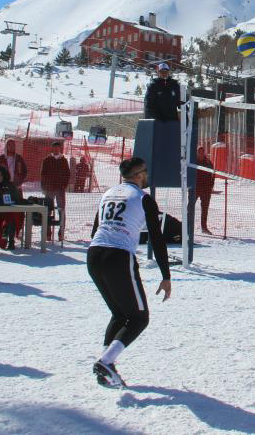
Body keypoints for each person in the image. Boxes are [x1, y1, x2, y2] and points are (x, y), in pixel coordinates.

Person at [88, 157, 172, 388]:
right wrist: (166, 275)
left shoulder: (108, 193)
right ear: (139, 175)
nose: (146, 176)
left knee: (119, 313)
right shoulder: (144, 198)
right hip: (119, 256)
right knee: (139, 317)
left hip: (94, 254)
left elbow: (96, 229)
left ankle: (106, 366)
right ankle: (105, 362)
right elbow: (157, 238)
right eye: (145, 172)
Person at [40, 141, 72, 241]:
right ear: (52, 148)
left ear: (60, 149)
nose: (56, 149)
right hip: (49, 189)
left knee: (61, 211)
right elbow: (43, 174)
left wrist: (63, 186)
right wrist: (44, 187)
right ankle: (48, 233)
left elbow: (67, 174)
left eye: (58, 148)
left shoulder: (64, 160)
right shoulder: (47, 160)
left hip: (60, 190)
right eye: (54, 148)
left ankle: (61, 233)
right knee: (48, 211)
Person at [0, 165, 24, 250]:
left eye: (0, 175)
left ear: (4, 175)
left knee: (13, 216)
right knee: (1, 245)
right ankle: (2, 234)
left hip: (11, 212)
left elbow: (17, 199)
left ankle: (11, 240)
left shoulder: (11, 186)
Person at [194, 146, 215, 235]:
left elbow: (213, 175)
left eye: (202, 152)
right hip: (195, 189)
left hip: (206, 190)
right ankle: (187, 227)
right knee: (190, 208)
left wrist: (210, 187)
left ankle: (204, 228)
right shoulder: (193, 162)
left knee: (205, 209)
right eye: (199, 152)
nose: (201, 154)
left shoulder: (208, 163)